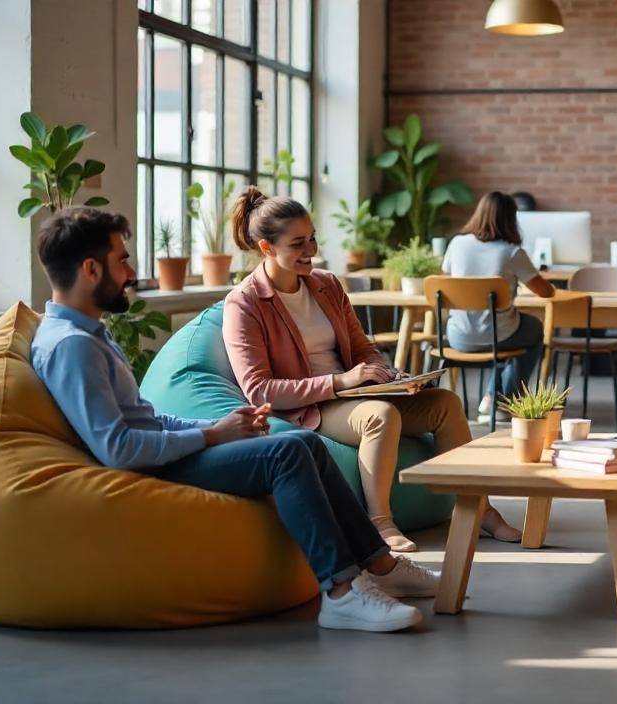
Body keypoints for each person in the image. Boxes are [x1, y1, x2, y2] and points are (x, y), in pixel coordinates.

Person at [30, 207, 438, 632]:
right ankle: (340, 593)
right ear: (92, 269)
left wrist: (223, 427)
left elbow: (145, 418)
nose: (131, 271)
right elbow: (118, 449)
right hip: (151, 467)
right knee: (286, 453)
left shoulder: (91, 334)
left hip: (163, 451)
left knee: (306, 445)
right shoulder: (72, 347)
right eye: (122, 260)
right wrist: (210, 435)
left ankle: (382, 565)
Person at [222, 187, 522, 548]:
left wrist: (388, 375)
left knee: (444, 404)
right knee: (380, 416)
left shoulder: (326, 285)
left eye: (313, 239)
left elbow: (361, 347)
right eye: (298, 244)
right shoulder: (244, 302)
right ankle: (379, 523)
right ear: (266, 248)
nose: (311, 251)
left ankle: (482, 511)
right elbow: (260, 390)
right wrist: (340, 381)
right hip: (312, 405)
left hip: (356, 390)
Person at [441, 191, 557, 420]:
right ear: (510, 220)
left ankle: (494, 396)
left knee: (511, 330)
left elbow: (445, 280)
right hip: (499, 336)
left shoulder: (457, 244)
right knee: (534, 330)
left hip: (457, 337)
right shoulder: (512, 252)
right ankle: (504, 400)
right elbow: (546, 292)